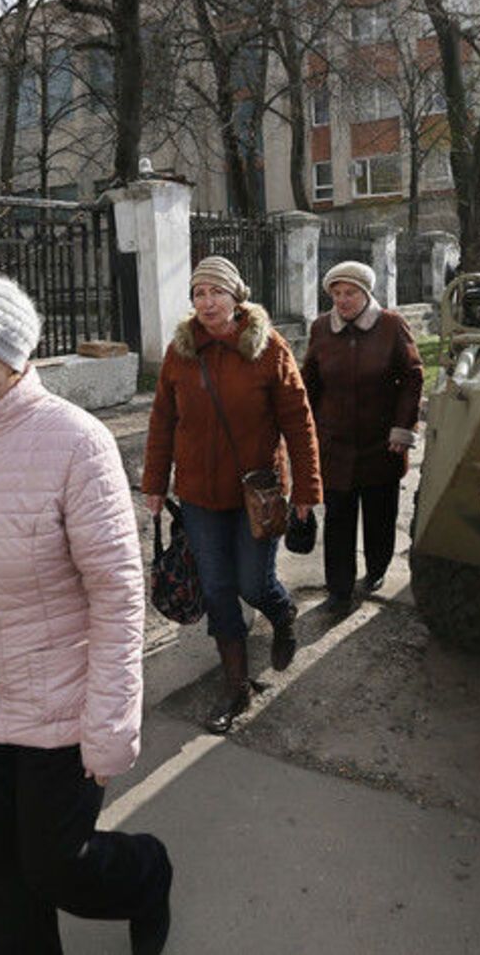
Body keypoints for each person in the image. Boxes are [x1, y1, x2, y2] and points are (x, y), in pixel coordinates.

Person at [0, 270, 172, 955]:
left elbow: (116, 593)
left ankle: (147, 873)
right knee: (0, 874)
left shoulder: (77, 443)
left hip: (58, 708)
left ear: (5, 356)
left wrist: (112, 725)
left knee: (59, 867)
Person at [141, 256, 322, 735]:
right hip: (200, 496)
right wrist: (155, 484)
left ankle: (281, 612)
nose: (206, 302)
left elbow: (299, 423)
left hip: (256, 495)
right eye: (199, 294)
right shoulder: (181, 353)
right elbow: (162, 420)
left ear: (235, 296)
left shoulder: (267, 349)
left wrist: (306, 489)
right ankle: (236, 687)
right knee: (219, 590)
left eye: (215, 292)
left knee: (252, 584)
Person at [301, 261, 423, 616]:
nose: (342, 300)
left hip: (381, 442)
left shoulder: (390, 325)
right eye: (336, 294)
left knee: (379, 513)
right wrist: (303, 429)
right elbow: (310, 381)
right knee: (337, 517)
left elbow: (413, 378)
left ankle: (377, 569)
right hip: (335, 443)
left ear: (366, 293)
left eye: (349, 292)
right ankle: (338, 590)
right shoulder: (322, 328)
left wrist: (403, 429)